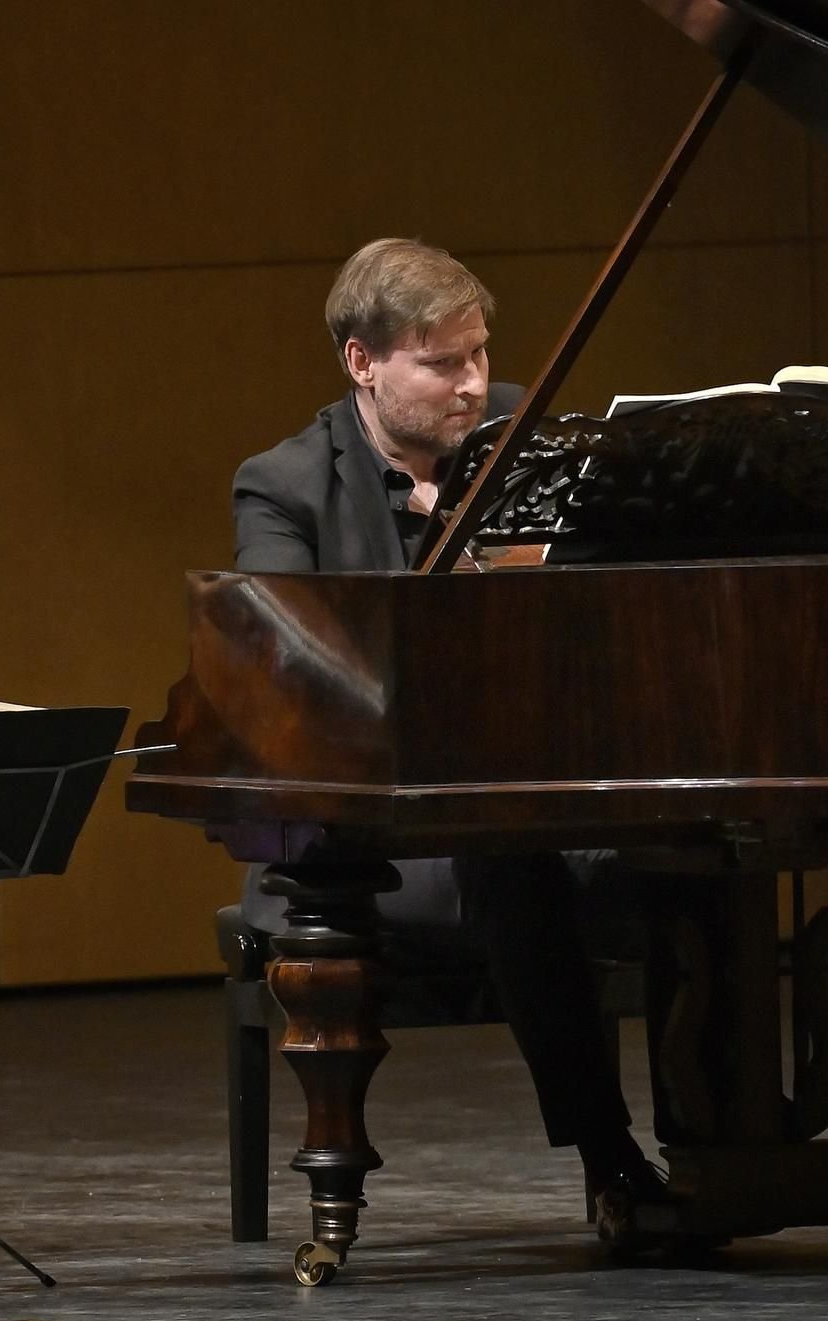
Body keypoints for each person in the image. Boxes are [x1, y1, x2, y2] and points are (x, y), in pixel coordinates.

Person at [231, 238, 667, 1230]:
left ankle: (724, 1148)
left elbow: (601, 609)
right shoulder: (283, 485)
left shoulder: (527, 435)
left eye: (476, 356)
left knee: (690, 854)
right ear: (360, 364)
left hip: (535, 794)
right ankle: (611, 1162)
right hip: (367, 831)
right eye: (439, 363)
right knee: (510, 863)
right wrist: (448, 555)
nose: (471, 386)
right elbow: (287, 649)